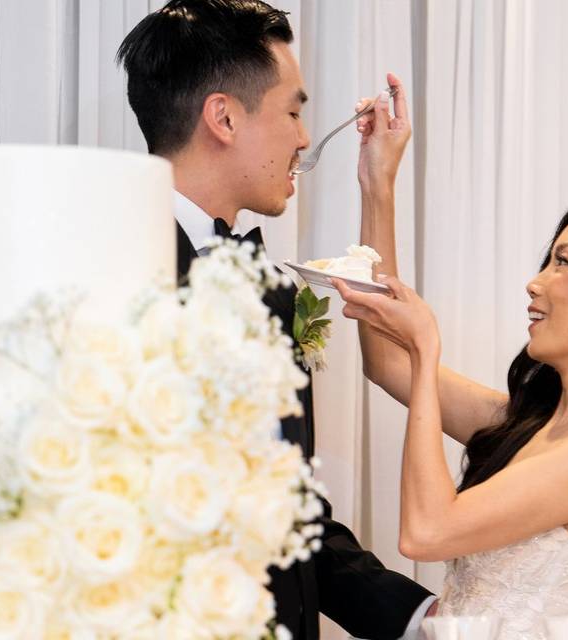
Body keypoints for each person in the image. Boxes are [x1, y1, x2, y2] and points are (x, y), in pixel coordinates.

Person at [336, 88, 568, 639]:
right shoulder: (528, 425)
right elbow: (388, 361)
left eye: (564, 263)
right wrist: (378, 186)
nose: (535, 282)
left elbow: (426, 531)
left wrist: (427, 347)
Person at [116, 2, 433, 638]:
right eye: (293, 111)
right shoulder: (110, 271)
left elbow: (281, 508)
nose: (304, 137)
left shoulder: (267, 291)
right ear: (224, 117)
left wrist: (421, 619)